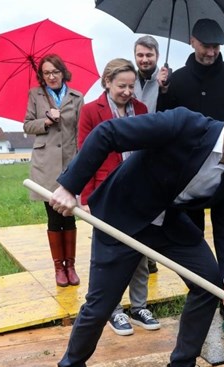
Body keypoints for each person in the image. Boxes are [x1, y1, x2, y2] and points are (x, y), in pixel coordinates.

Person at [46, 101, 224, 367]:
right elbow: (108, 133)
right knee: (101, 305)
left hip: (168, 221)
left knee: (208, 282)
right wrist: (69, 186)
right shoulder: (184, 125)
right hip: (123, 215)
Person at [77, 58, 161, 336]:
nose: (127, 91)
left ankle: (139, 306)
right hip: (106, 191)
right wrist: (86, 197)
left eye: (131, 86)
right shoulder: (90, 111)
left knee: (139, 248)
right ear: (107, 83)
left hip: (137, 190)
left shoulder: (141, 109)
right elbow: (84, 155)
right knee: (110, 252)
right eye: (121, 86)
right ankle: (113, 310)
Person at [157, 18, 224, 230]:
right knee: (190, 234)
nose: (211, 52)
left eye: (215, 47)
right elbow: (164, 121)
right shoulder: (176, 80)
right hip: (187, 172)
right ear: (192, 42)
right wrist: (163, 92)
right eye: (205, 46)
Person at [23, 53, 84, 288]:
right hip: (45, 165)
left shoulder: (76, 98)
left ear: (63, 72)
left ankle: (71, 266)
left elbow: (82, 132)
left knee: (68, 214)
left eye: (55, 72)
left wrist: (82, 165)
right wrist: (46, 121)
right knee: (53, 217)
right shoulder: (35, 96)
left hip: (70, 163)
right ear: (42, 75)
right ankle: (59, 268)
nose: (51, 77)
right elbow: (27, 125)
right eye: (46, 73)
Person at [133, 34, 170, 274]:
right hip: (133, 148)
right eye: (140, 55)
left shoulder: (167, 78)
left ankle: (151, 252)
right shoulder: (128, 77)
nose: (144, 59)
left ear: (157, 56)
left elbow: (172, 111)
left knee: (156, 206)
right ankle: (140, 254)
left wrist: (165, 88)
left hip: (158, 150)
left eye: (149, 55)